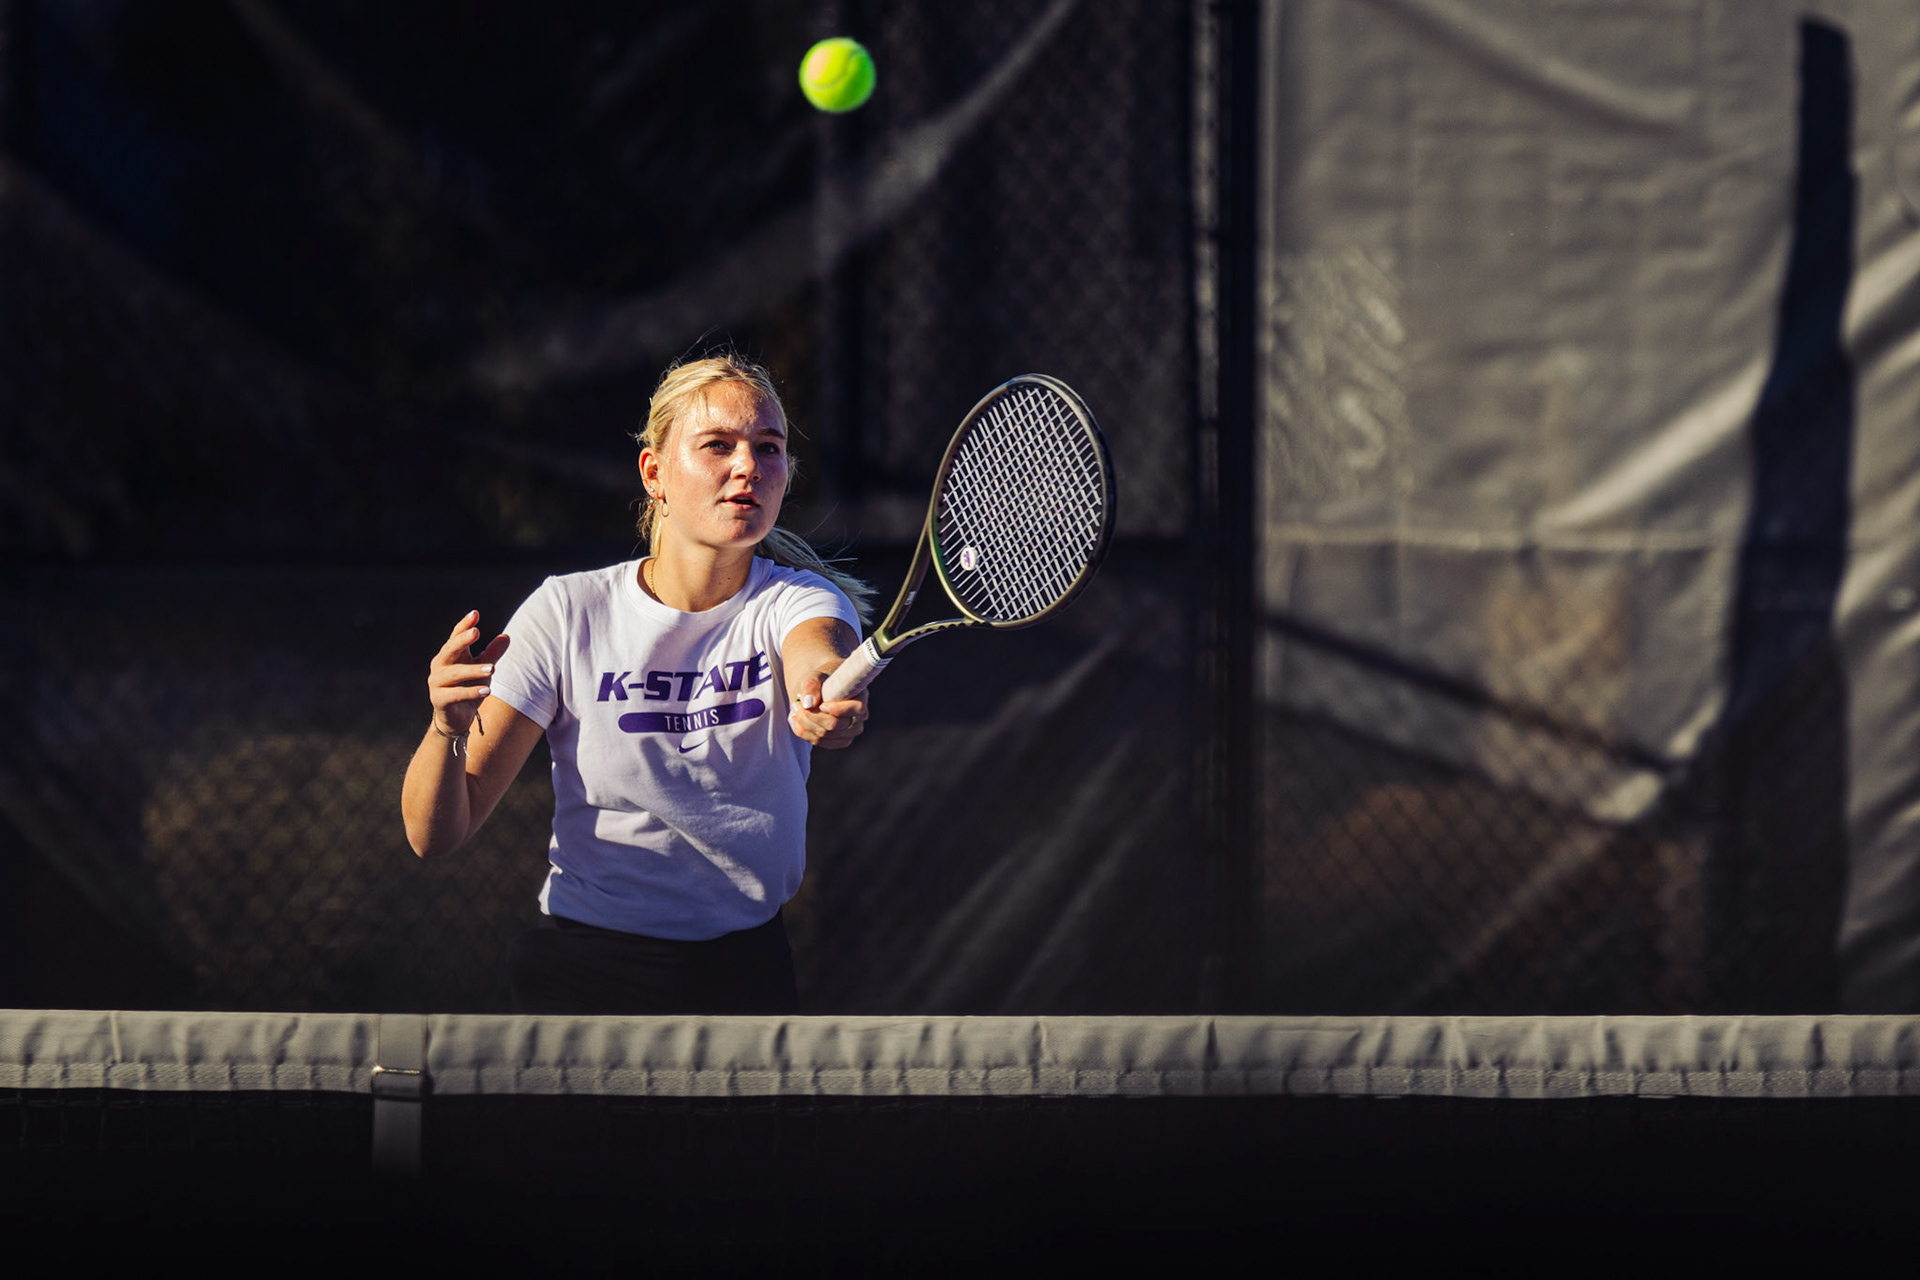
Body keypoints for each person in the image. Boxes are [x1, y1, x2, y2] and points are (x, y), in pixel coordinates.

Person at [401, 353, 875, 1015]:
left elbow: (817, 655)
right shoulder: (566, 612)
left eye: (769, 449)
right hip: (583, 976)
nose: (747, 467)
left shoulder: (801, 601)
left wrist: (821, 693)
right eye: (717, 445)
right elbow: (435, 835)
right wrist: (445, 729)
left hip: (747, 974)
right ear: (655, 473)